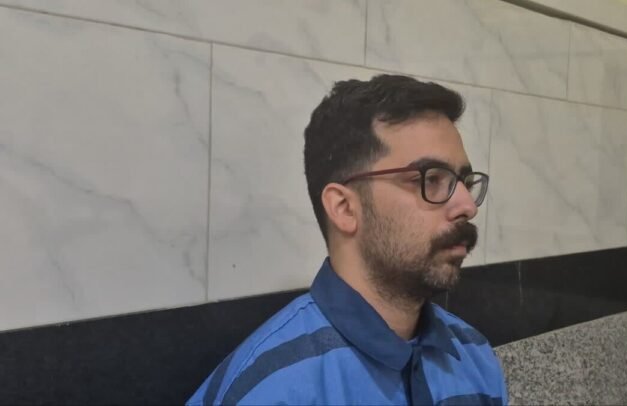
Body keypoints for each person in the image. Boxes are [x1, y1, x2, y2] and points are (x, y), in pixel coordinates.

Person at [188, 74, 507, 405]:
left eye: (464, 182)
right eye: (431, 179)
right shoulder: (271, 389)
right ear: (344, 208)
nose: (468, 206)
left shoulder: (474, 357)